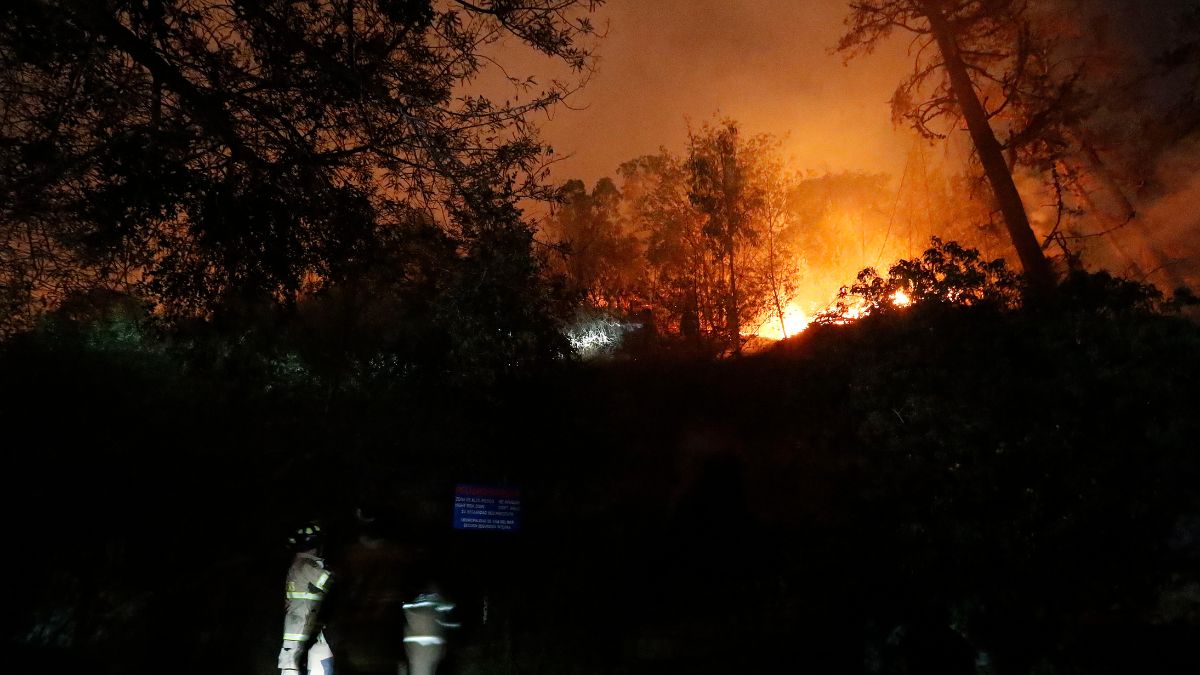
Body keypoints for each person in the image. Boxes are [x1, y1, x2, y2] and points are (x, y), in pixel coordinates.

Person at [279, 521, 335, 675]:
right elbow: (333, 584)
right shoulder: (306, 565)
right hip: (302, 636)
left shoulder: (299, 565)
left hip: (305, 635)